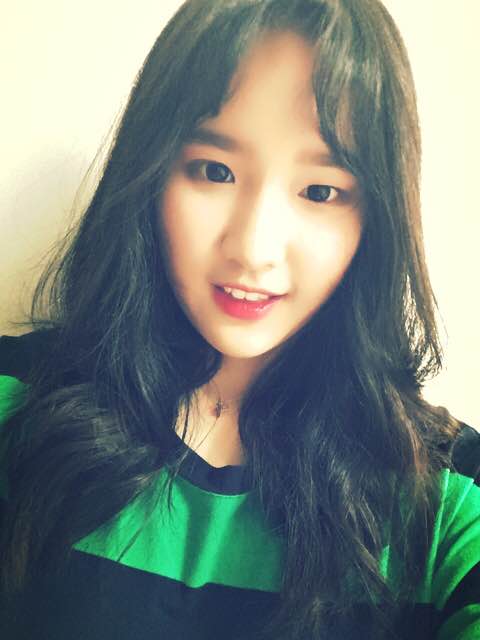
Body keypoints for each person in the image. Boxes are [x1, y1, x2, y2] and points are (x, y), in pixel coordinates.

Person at [0, 1, 478, 638]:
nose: (253, 249)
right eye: (215, 171)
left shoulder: (447, 498)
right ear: (150, 175)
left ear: (376, 219)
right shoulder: (15, 405)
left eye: (320, 191)